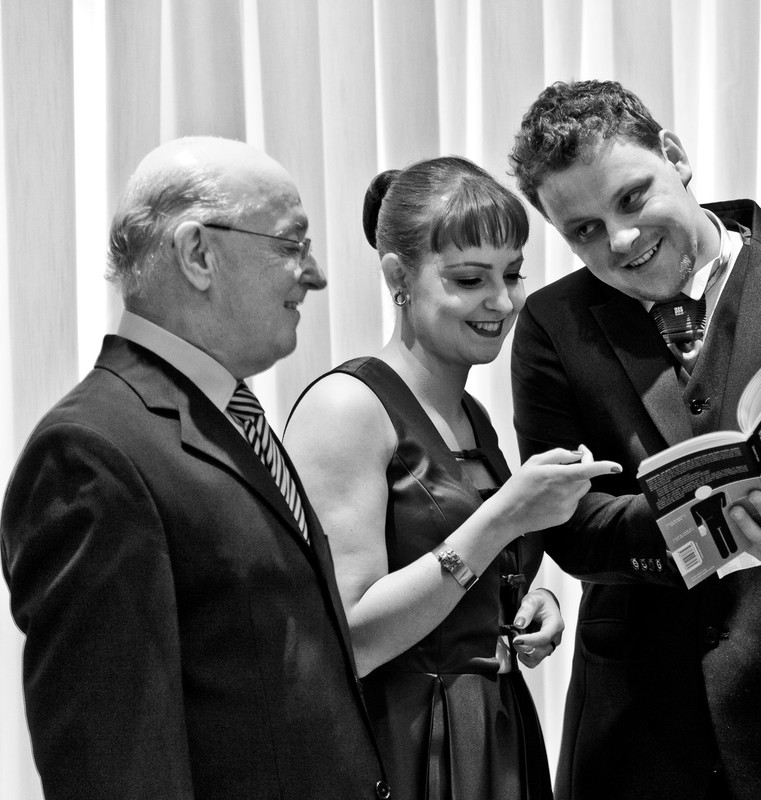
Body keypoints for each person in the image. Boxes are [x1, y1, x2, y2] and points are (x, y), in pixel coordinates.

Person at [508, 79, 761, 800]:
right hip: (638, 730)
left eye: (632, 199)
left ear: (676, 155)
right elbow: (570, 525)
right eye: (584, 231)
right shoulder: (550, 323)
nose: (622, 241)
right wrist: (710, 521)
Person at [1, 137, 391, 799]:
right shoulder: (90, 453)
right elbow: (116, 767)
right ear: (198, 253)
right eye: (291, 244)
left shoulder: (231, 416)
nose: (315, 274)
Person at [283, 156, 619, 800]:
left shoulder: (472, 415)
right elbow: (347, 637)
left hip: (494, 731)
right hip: (405, 745)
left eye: (513, 274)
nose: (501, 301)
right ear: (397, 277)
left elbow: (463, 575)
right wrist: (502, 522)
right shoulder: (346, 408)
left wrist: (519, 603)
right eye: (469, 279)